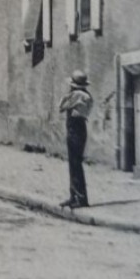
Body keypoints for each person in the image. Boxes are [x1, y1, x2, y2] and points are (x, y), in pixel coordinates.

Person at [58, 71, 94, 209]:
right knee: (74, 164)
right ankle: (74, 196)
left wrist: (68, 96)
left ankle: (80, 197)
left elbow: (61, 106)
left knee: (75, 164)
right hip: (78, 129)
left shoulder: (78, 95)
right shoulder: (85, 95)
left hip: (75, 130)